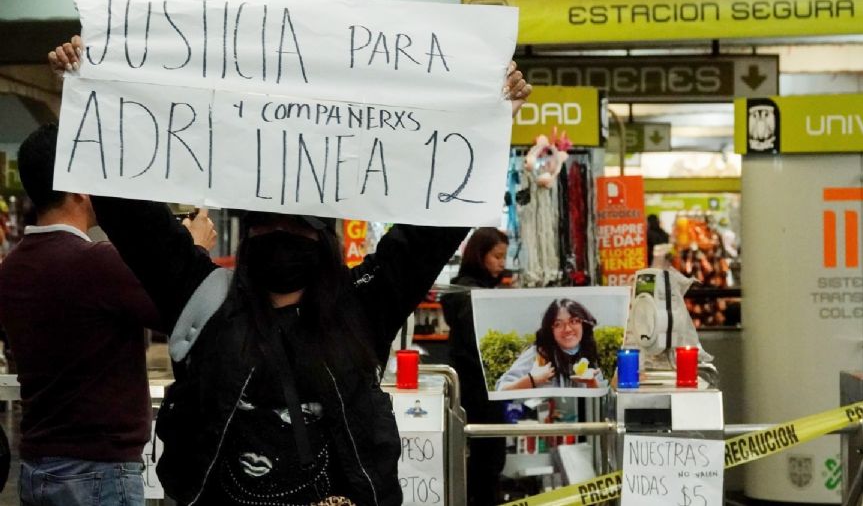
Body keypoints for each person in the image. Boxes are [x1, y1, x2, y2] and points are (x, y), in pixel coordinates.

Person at [50, 38, 532, 506]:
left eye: (297, 229)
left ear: (323, 241)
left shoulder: (365, 305)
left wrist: (488, 125)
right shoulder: (201, 297)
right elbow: (134, 221)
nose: (282, 237)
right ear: (249, 234)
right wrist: (85, 92)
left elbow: (429, 234)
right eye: (268, 226)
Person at [0, 123, 214, 506]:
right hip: (98, 473)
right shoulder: (96, 263)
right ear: (81, 186)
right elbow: (185, 310)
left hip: (37, 466)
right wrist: (192, 250)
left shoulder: (12, 266)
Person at [440, 227, 509, 506]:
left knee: (482, 459)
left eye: (504, 257)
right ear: (481, 256)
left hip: (479, 386)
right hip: (479, 387)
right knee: (486, 460)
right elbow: (479, 341)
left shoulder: (468, 289)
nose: (502, 263)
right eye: (496, 256)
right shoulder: (470, 292)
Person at [496, 299, 607, 391]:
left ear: (583, 325)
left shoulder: (587, 354)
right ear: (550, 330)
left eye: (573, 321)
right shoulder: (539, 354)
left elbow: (602, 400)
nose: (567, 329)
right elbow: (501, 389)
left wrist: (591, 382)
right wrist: (532, 379)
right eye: (558, 324)